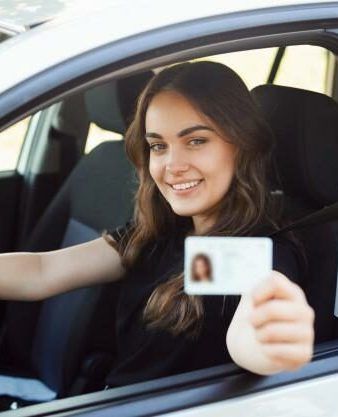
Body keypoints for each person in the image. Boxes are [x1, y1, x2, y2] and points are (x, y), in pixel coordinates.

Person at [0, 61, 314, 389]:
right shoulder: (162, 234)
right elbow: (42, 271)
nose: (172, 166)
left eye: (196, 141)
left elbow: (251, 332)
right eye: (158, 146)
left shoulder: (252, 252)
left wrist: (270, 341)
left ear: (241, 144)